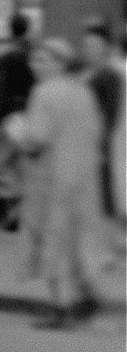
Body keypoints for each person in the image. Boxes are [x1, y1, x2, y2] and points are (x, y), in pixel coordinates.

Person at [11, 37, 106, 328]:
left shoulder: (44, 92)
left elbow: (36, 139)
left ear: (60, 63)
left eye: (42, 60)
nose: (34, 65)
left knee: (52, 240)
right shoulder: (82, 91)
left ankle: (62, 306)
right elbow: (97, 130)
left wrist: (16, 130)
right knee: (77, 239)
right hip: (82, 177)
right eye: (34, 59)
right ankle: (87, 295)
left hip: (49, 178)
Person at [0, 13, 36, 226]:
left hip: (10, 114)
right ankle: (22, 207)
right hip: (32, 113)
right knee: (24, 162)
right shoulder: (36, 54)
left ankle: (13, 206)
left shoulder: (7, 58)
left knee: (1, 162)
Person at [80, 19, 123, 219]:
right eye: (86, 45)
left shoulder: (109, 77)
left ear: (106, 47)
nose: (88, 50)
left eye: (94, 45)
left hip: (100, 146)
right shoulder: (85, 75)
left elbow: (110, 116)